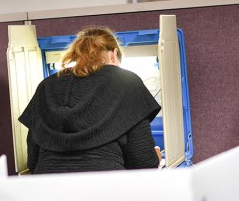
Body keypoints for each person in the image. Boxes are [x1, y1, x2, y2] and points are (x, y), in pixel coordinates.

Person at [19, 26, 161, 174]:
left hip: (47, 184)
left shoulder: (46, 86)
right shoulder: (127, 81)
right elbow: (142, 162)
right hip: (104, 186)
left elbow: (33, 158)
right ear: (114, 54)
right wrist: (155, 158)